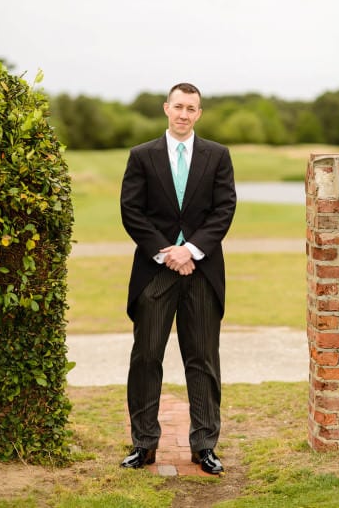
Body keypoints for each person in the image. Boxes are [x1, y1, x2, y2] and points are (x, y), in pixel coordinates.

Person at [117, 83, 236, 475]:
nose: (184, 114)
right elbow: (132, 211)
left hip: (202, 272)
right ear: (166, 108)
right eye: (178, 106)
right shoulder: (142, 156)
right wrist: (168, 252)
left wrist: (192, 251)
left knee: (202, 361)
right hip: (155, 272)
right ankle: (144, 444)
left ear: (199, 113)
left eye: (192, 108)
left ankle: (204, 446)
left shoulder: (217, 156)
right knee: (146, 357)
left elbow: (224, 209)